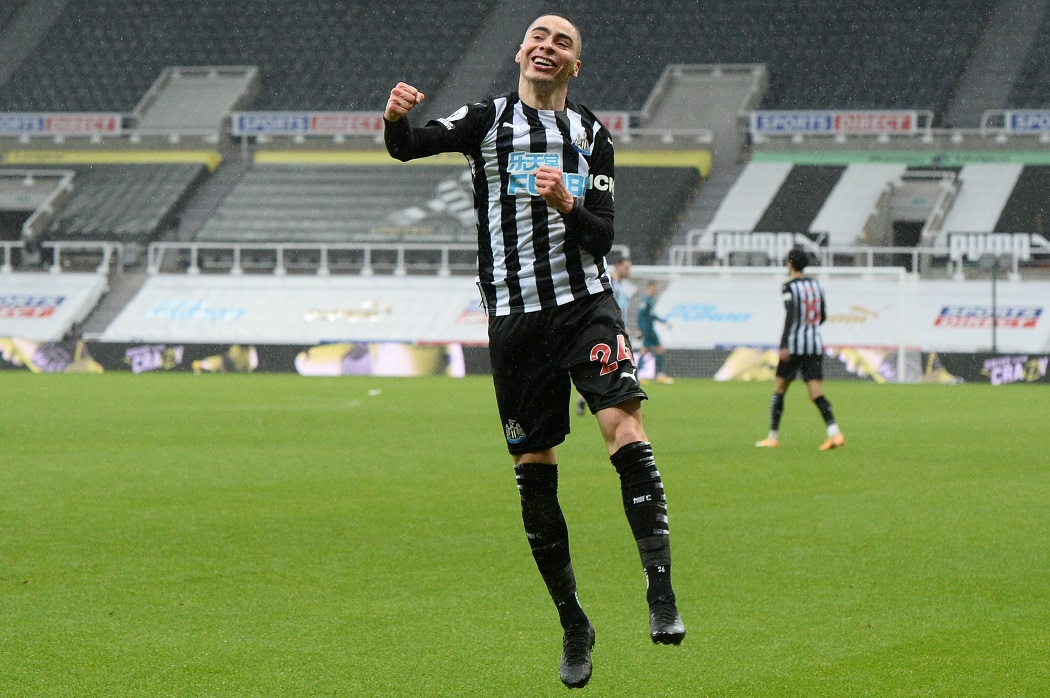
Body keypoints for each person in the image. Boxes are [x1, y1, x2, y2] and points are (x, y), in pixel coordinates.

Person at [384, 13, 685, 689]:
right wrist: (394, 119)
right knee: (535, 463)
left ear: (574, 66)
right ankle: (574, 624)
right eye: (538, 37)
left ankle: (660, 594)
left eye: (563, 42)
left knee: (624, 424)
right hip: (516, 322)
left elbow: (603, 237)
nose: (547, 45)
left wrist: (564, 205)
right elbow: (409, 147)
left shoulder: (590, 135)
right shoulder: (486, 120)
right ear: (521, 52)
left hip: (585, 306)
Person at [755, 248, 846, 450]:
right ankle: (835, 433)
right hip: (814, 344)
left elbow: (791, 316)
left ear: (790, 264)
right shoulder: (816, 285)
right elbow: (822, 315)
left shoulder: (789, 287)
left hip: (794, 346)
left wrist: (784, 344)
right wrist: (810, 327)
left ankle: (772, 436)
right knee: (816, 394)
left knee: (779, 389)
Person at [575, 254, 632, 415]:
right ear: (618, 266)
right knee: (617, 367)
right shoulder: (610, 283)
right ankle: (622, 405)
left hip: (619, 330)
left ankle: (588, 398)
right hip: (609, 330)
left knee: (616, 368)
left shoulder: (621, 285)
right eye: (627, 267)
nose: (629, 271)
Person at [636, 281, 674, 384]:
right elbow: (640, 317)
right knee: (646, 350)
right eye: (653, 288)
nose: (655, 290)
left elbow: (652, 316)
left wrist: (664, 322)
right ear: (649, 288)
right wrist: (641, 330)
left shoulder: (651, 301)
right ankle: (640, 375)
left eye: (655, 288)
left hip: (651, 329)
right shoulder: (645, 301)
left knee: (658, 349)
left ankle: (659, 375)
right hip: (647, 330)